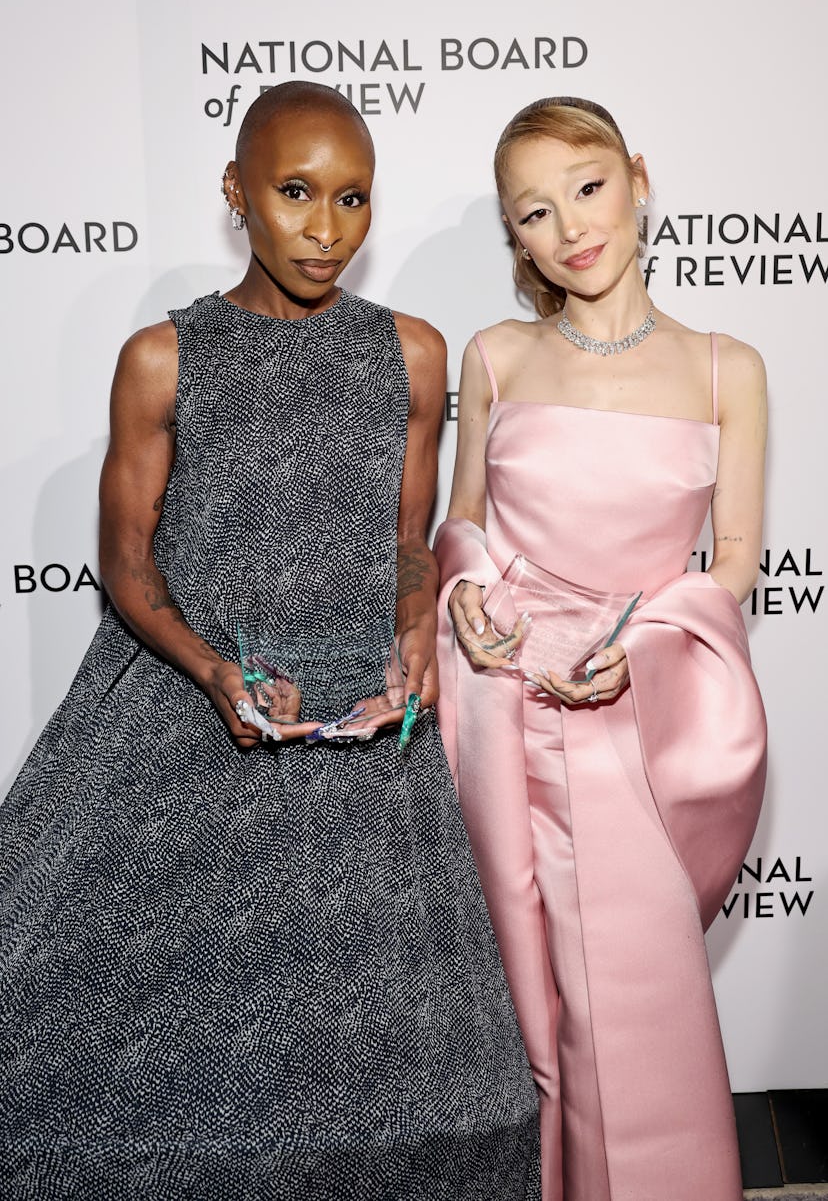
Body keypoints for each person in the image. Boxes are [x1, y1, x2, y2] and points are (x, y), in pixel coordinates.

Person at [0, 81, 539, 1200]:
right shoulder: (163, 357)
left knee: (390, 1081)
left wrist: (414, 637)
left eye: (352, 199)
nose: (326, 228)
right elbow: (130, 565)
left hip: (358, 731)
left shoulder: (414, 354)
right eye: (295, 192)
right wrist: (210, 668)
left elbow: (408, 542)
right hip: (188, 707)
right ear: (235, 192)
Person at [434, 96, 767, 1201]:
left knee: (635, 1011)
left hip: (627, 715)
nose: (570, 225)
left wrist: (654, 643)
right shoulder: (494, 357)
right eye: (534, 212)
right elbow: (463, 523)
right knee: (514, 1009)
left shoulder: (729, 368)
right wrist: (470, 591)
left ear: (636, 174)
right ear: (514, 237)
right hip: (498, 712)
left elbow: (730, 567)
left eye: (586, 187)